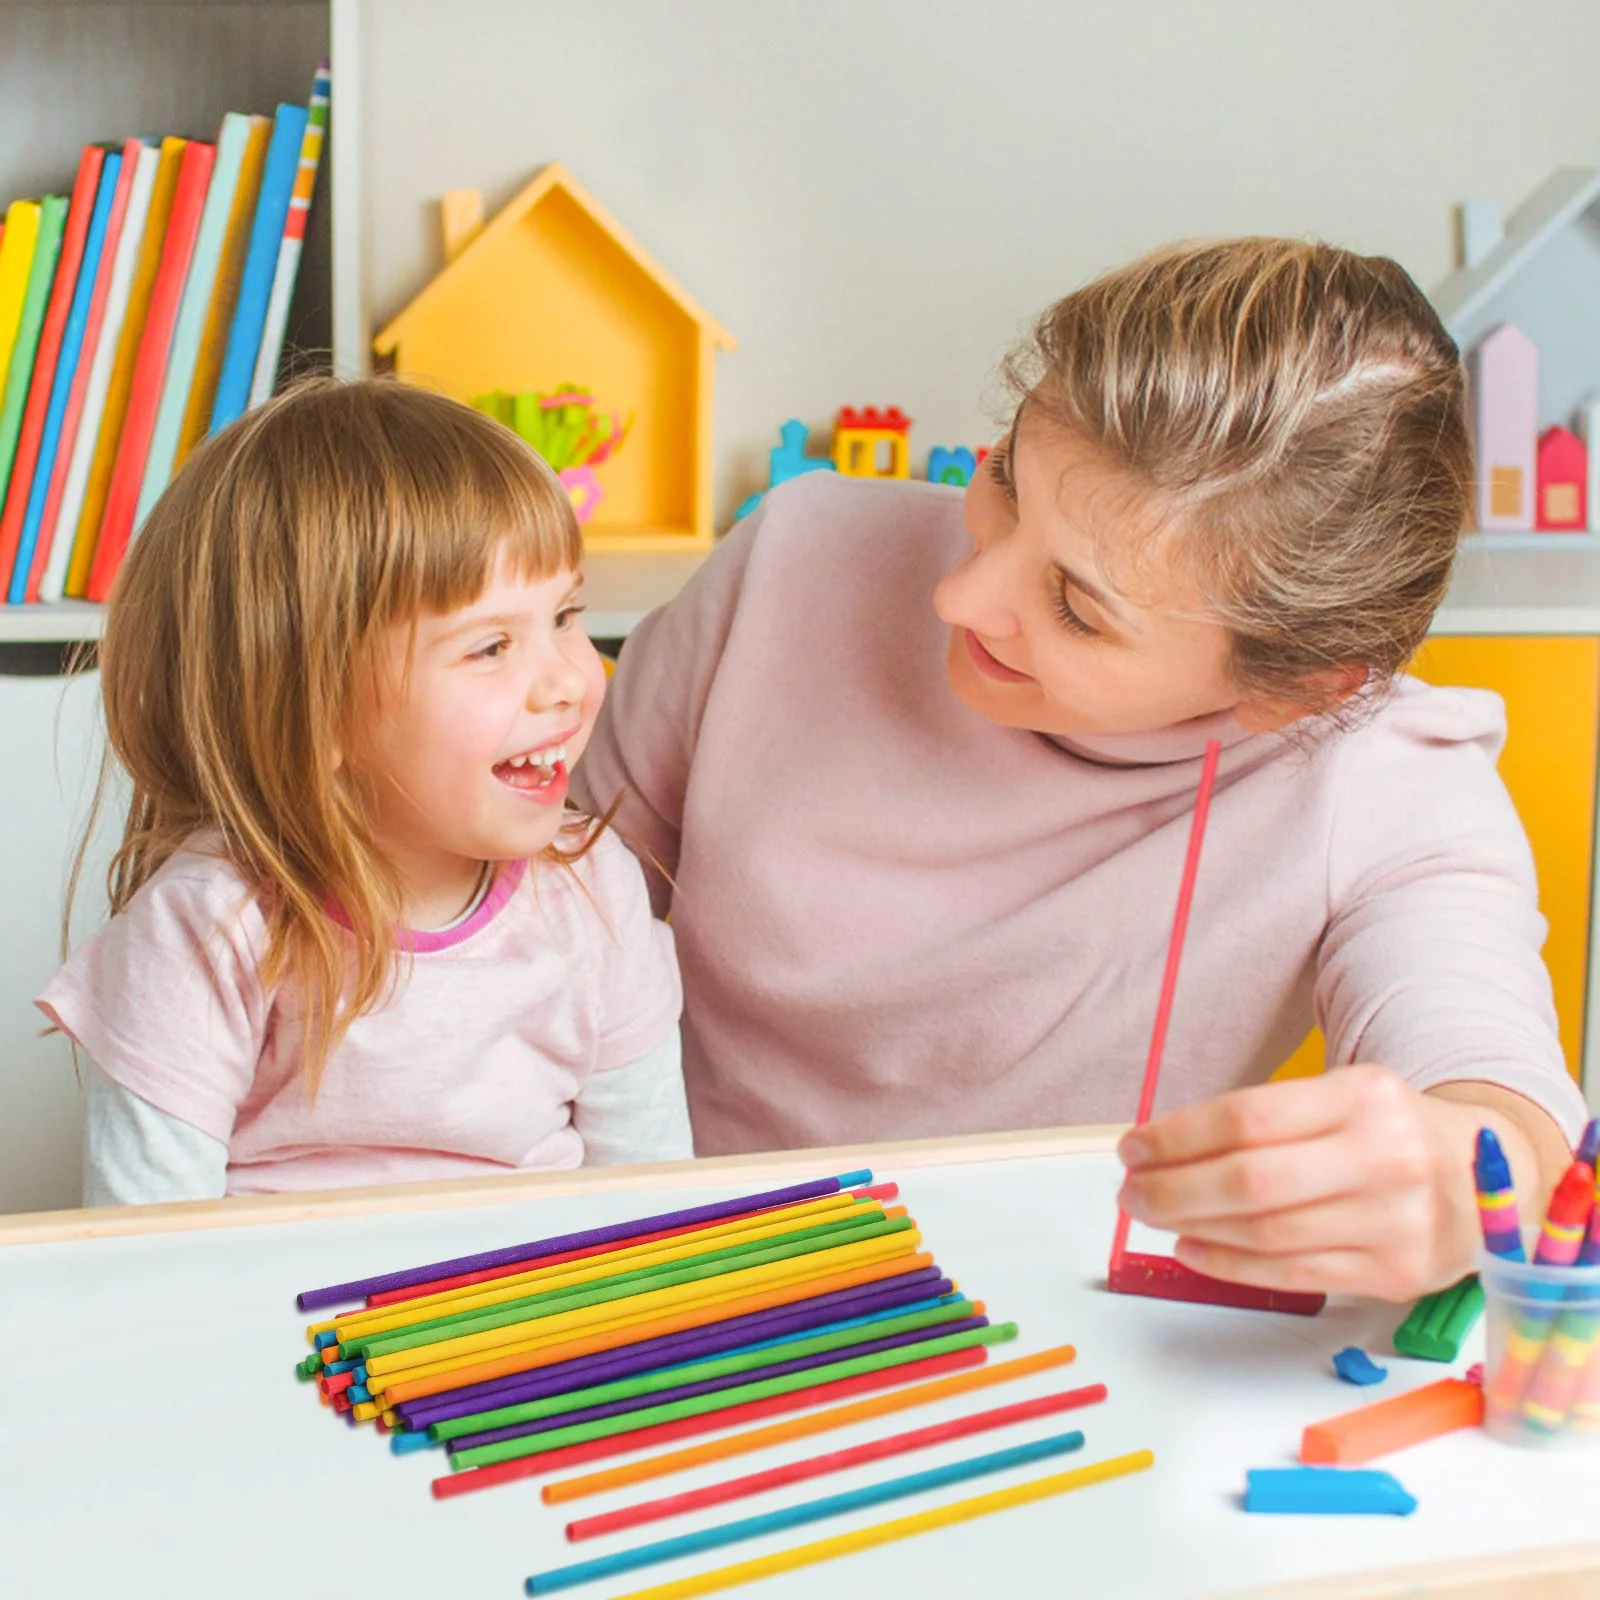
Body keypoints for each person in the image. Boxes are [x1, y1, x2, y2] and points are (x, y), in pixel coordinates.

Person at [573, 238, 1589, 1302]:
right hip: (658, 1265)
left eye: (1076, 608)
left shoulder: (1378, 777)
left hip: (1022, 1324)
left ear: (1295, 687)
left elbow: (1498, 1085)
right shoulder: (792, 556)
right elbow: (552, 908)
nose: (958, 600)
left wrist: (1464, 1173)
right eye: (1006, 476)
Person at [40, 379, 689, 1204]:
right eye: (491, 647)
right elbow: (148, 1248)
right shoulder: (209, 925)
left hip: (537, 1320)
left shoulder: (595, 888)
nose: (568, 679)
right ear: (319, 712)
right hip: (284, 1325)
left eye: (565, 615)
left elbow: (655, 1193)